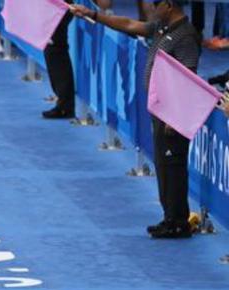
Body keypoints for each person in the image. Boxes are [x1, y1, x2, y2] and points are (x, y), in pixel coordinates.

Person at [70, 0, 200, 238]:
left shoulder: (186, 37)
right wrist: (93, 15)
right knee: (162, 166)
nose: (151, 9)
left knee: (174, 168)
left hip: (173, 114)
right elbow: (129, 24)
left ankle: (178, 222)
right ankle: (169, 217)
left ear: (169, 5)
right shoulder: (162, 27)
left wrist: (175, 116)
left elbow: (188, 79)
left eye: (155, 4)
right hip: (159, 110)